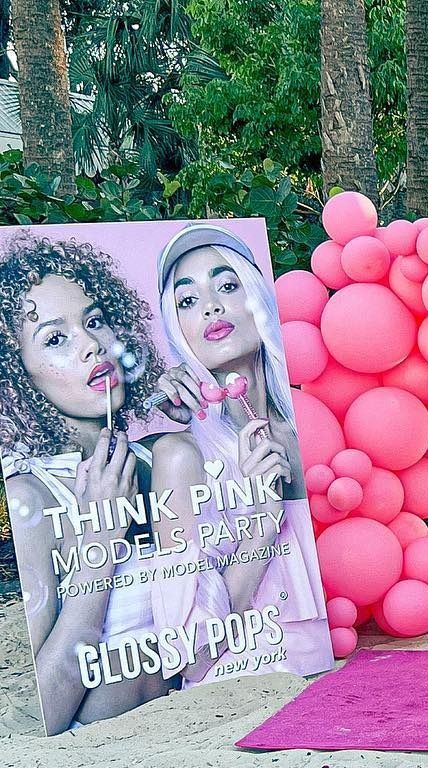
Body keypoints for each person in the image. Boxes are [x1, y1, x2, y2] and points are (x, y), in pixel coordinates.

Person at [0, 233, 179, 732]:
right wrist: (98, 542)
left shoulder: (164, 456)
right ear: (18, 374)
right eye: (55, 339)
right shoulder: (30, 497)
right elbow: (43, 716)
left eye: (94, 321)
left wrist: (203, 417)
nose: (92, 345)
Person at [149, 224, 330, 680]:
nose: (211, 306)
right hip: (250, 689)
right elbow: (193, 661)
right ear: (178, 329)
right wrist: (262, 520)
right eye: (187, 300)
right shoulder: (180, 456)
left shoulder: (318, 420)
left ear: (258, 298)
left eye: (227, 285)